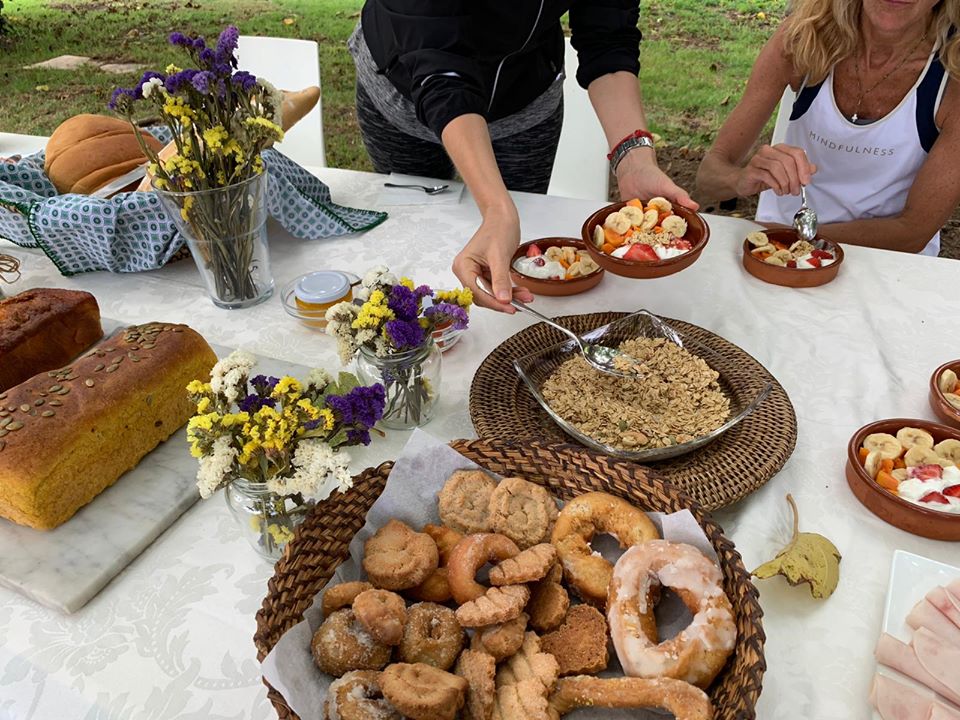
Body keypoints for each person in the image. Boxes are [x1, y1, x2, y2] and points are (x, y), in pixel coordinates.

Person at [349, 1, 697, 312]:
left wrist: (633, 158)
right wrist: (496, 207)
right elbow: (438, 69)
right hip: (405, 91)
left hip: (524, 97)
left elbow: (608, 36)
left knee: (511, 254)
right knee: (412, 246)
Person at [696, 0, 960, 256]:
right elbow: (708, 178)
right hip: (775, 251)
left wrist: (795, 241)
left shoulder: (952, 76)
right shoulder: (804, 37)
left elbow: (912, 232)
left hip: (882, 263)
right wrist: (740, 180)